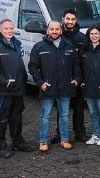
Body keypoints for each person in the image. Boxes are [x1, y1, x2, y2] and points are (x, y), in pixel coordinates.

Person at [29, 21, 81, 152]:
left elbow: (76, 65)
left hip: (66, 87)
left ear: (61, 31)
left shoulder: (69, 46)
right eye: (51, 29)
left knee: (64, 114)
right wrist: (40, 83)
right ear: (47, 31)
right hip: (48, 87)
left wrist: (76, 80)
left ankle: (65, 139)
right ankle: (43, 141)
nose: (54, 31)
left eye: (57, 29)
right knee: (45, 115)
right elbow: (33, 67)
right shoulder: (39, 47)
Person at [0, 19, 35, 157]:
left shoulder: (16, 43)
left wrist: (23, 80)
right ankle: (1, 145)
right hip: (2, 91)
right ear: (0, 30)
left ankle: (18, 141)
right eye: (6, 28)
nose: (9, 31)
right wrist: (3, 81)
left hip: (17, 90)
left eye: (11, 28)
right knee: (1, 119)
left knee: (16, 117)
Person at [61, 9, 89, 143]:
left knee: (79, 108)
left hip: (78, 78)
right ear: (63, 19)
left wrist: (82, 78)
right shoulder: (57, 35)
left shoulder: (81, 37)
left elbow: (85, 59)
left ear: (76, 20)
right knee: (62, 109)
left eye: (73, 19)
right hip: (61, 79)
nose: (70, 22)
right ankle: (60, 133)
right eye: (68, 19)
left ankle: (80, 132)